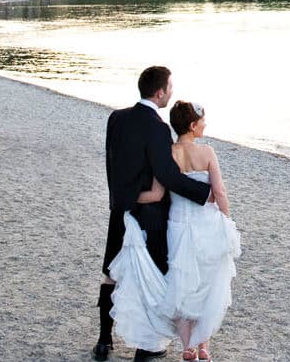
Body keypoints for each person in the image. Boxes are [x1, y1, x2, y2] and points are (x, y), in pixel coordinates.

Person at [94, 67, 215, 362]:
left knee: (112, 273)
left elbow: (111, 163)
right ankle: (146, 344)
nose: (171, 92)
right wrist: (204, 193)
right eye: (170, 88)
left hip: (120, 208)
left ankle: (103, 340)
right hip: (149, 213)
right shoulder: (157, 128)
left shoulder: (116, 118)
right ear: (160, 92)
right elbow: (167, 174)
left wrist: (119, 198)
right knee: (151, 276)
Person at [109, 101, 240, 362]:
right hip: (207, 225)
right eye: (202, 121)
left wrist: (126, 199)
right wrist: (228, 222)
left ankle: (187, 347)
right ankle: (204, 346)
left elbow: (157, 194)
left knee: (182, 284)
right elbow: (220, 193)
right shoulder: (207, 152)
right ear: (193, 126)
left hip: (178, 226)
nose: (205, 125)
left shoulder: (168, 153)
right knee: (207, 282)